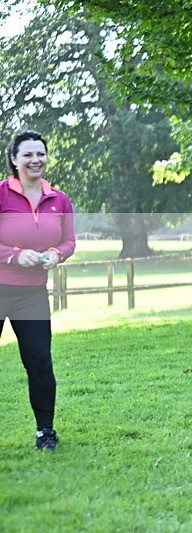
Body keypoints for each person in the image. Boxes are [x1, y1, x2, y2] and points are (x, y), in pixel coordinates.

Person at [0, 130, 75, 451]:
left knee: (40, 361)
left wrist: (57, 254)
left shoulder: (59, 199)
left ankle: (45, 431)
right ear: (14, 160)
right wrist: (14, 255)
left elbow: (69, 241)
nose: (35, 160)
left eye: (40, 154)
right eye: (28, 154)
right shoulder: (2, 194)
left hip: (32, 295)